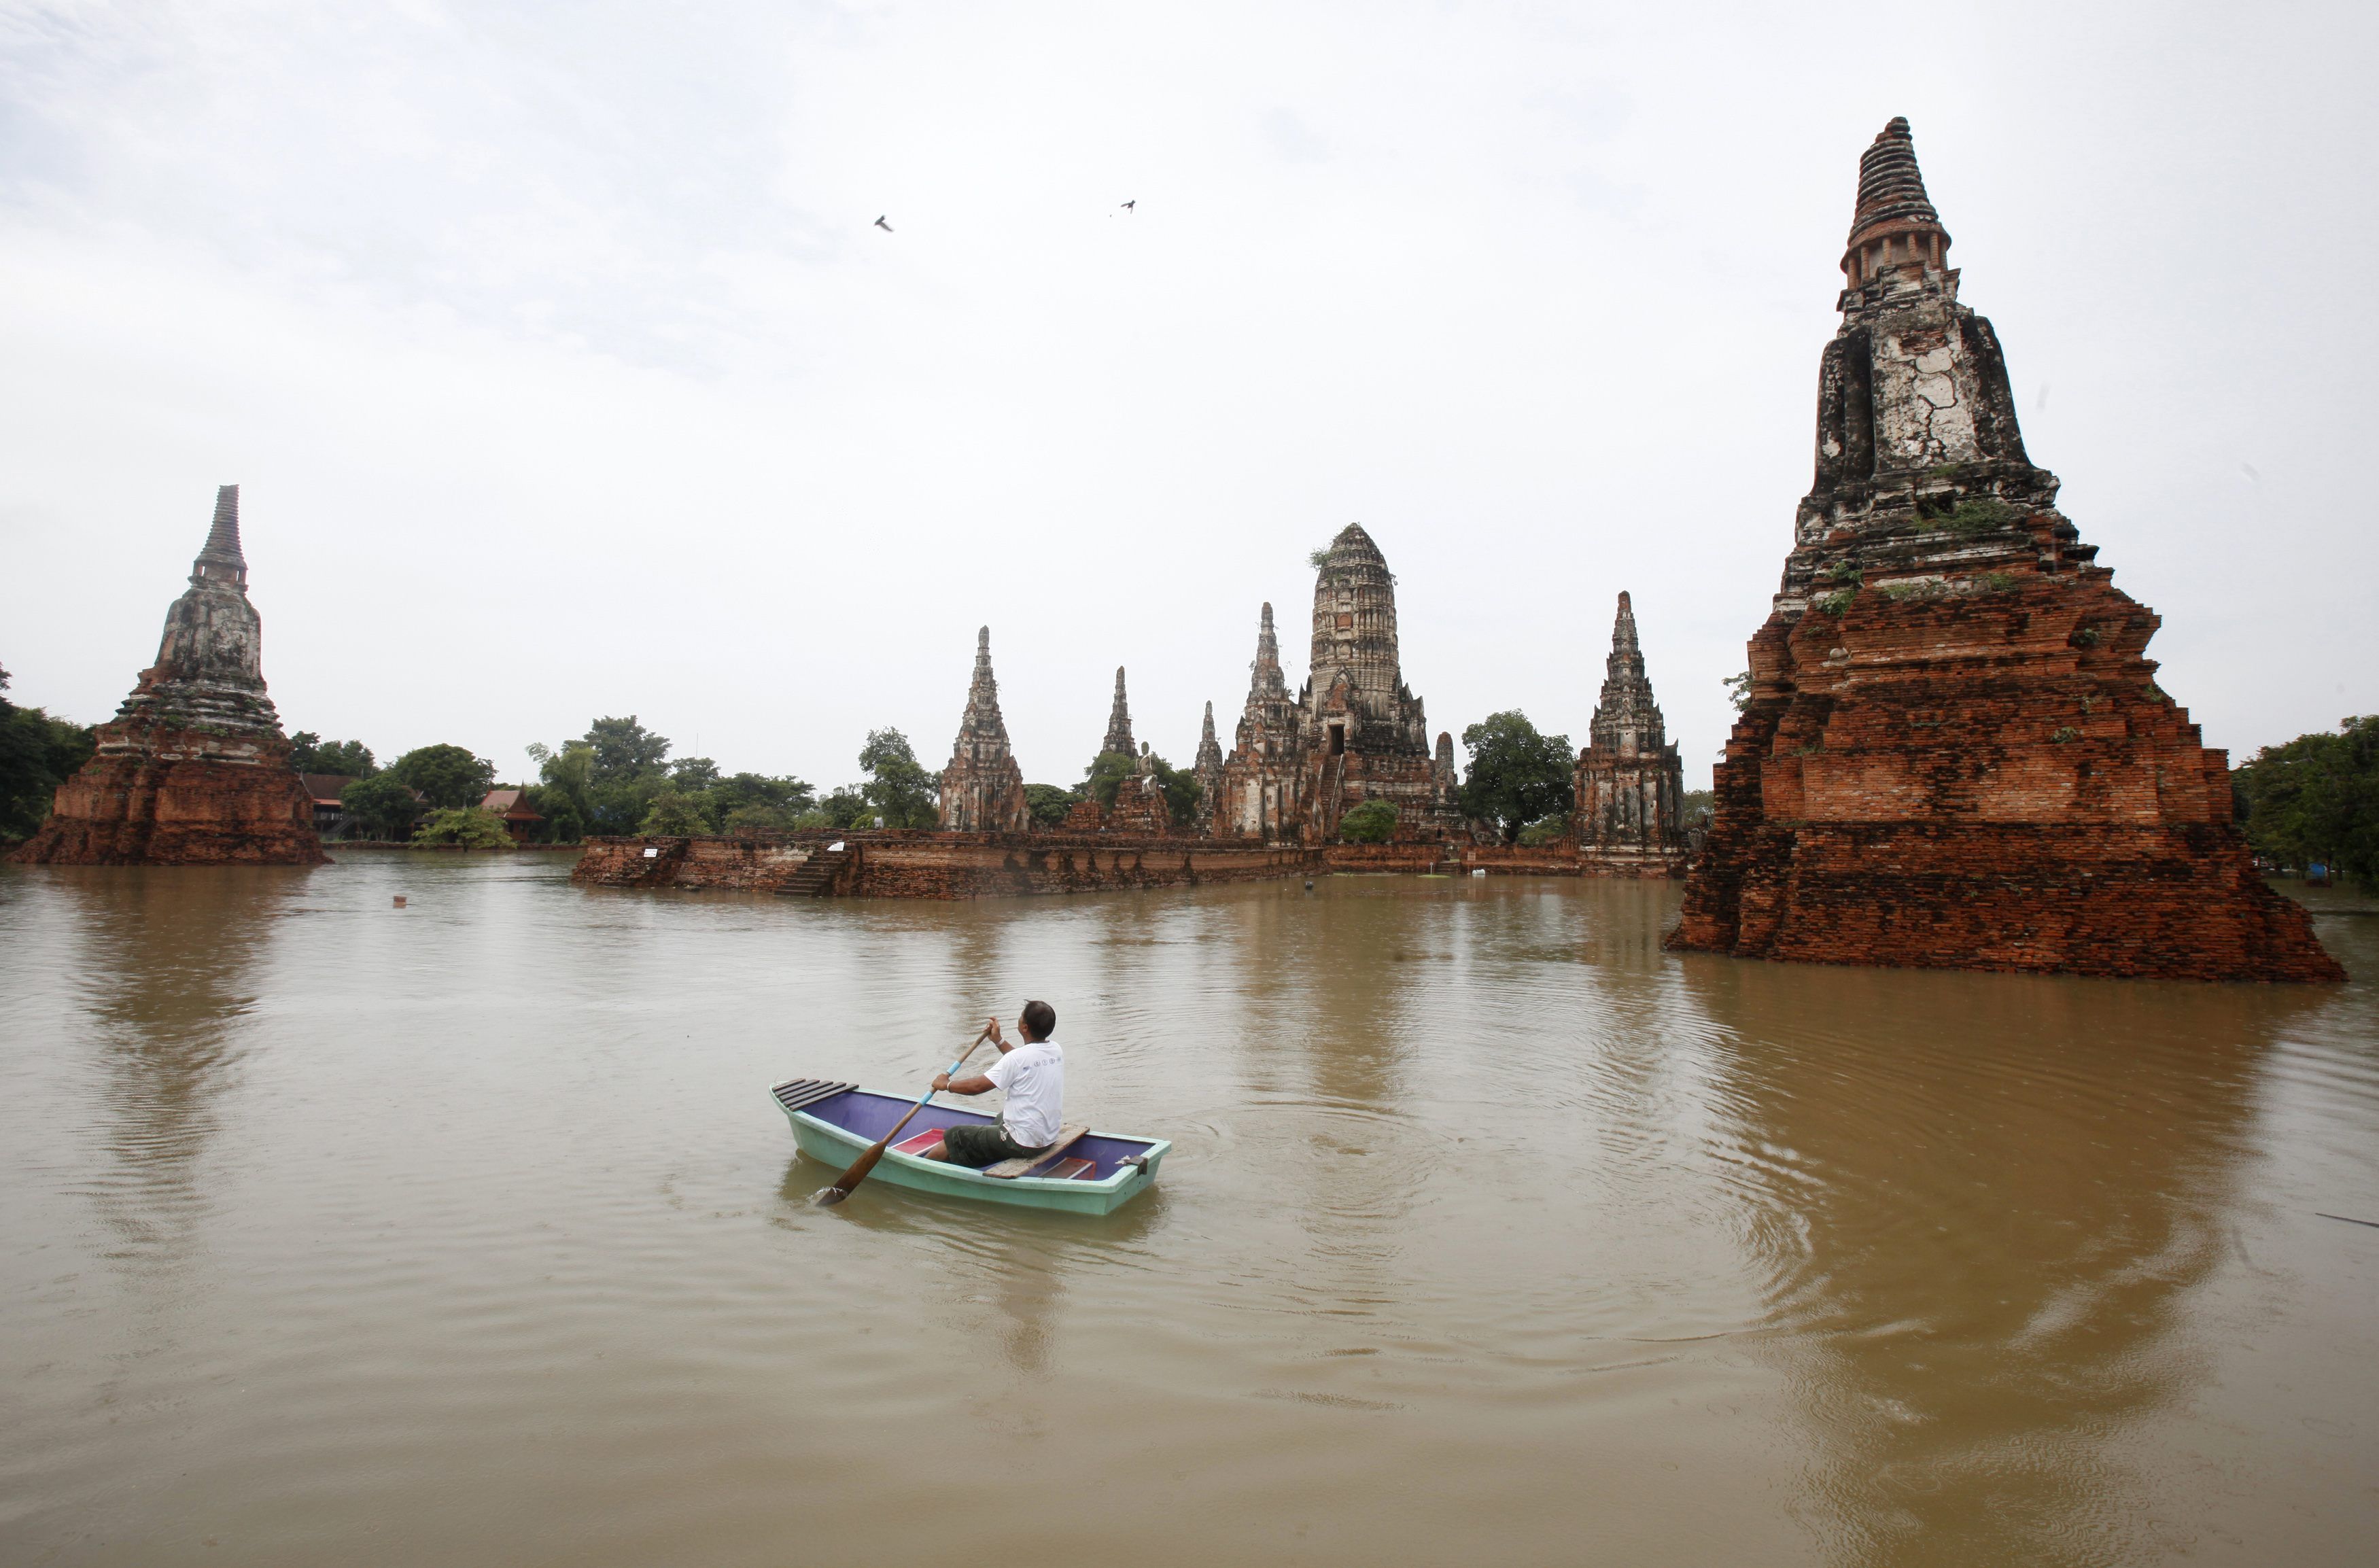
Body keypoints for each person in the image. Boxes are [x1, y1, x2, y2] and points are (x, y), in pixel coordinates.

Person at [924, 1000, 1064, 1166]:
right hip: (1047, 1136)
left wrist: (946, 1085)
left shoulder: (1018, 1058)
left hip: (1023, 1142)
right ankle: (979, 1154)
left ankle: (918, 1171)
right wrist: (998, 1041)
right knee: (1002, 1117)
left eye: (1021, 1017)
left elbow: (978, 1086)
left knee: (955, 1135)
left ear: (1025, 1027)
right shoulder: (1056, 1049)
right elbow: (1023, 1062)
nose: (1019, 1019)